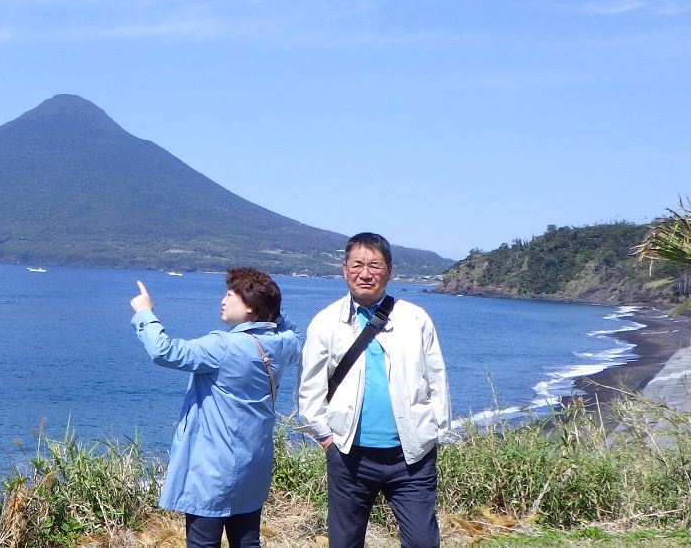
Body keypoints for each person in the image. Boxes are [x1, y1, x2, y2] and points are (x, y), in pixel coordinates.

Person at [297, 233, 454, 548]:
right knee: (344, 542)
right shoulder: (326, 322)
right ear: (345, 269)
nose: (365, 273)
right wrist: (326, 437)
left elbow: (437, 379)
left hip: (411, 457)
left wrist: (436, 435)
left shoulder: (414, 319)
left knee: (423, 542)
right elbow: (310, 386)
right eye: (357, 265)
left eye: (374, 265)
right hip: (349, 454)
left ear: (389, 271)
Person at [129, 267, 301, 548]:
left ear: (249, 307)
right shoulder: (282, 344)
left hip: (211, 472)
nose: (222, 300)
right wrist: (271, 311)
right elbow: (292, 330)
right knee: (247, 542)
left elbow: (163, 351)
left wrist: (144, 313)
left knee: (202, 543)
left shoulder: (223, 346)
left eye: (230, 295)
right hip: (253, 467)